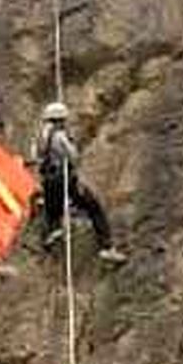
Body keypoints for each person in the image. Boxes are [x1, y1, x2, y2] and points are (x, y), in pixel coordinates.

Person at [34, 102, 126, 263]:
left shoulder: (39, 138)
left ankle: (51, 235)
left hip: (48, 181)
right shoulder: (59, 135)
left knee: (52, 212)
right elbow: (73, 156)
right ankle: (107, 247)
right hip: (63, 178)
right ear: (61, 119)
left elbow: (37, 157)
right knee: (93, 206)